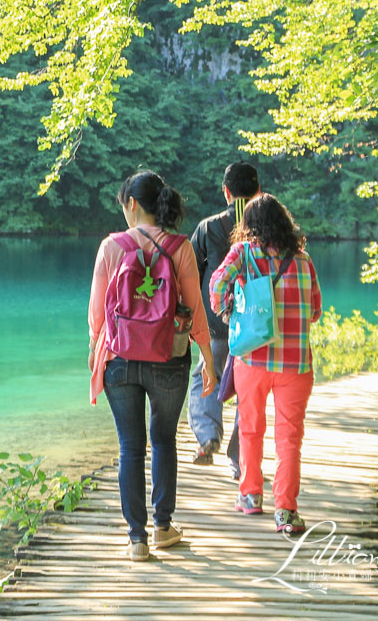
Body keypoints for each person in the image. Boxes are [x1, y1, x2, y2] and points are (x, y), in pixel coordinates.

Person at [88, 171, 215, 562]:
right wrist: (209, 360)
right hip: (169, 359)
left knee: (130, 447)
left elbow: (96, 317)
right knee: (162, 441)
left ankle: (136, 540)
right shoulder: (180, 247)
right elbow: (194, 311)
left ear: (131, 204)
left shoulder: (111, 246)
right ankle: (163, 527)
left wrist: (96, 357)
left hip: (120, 360)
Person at [209, 193, 322, 534]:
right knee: (289, 438)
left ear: (249, 225)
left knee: (250, 427)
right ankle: (286, 511)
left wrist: (231, 309)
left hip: (253, 358)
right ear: (285, 223)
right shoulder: (303, 261)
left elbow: (216, 290)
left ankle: (251, 496)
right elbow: (315, 311)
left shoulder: (243, 254)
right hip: (295, 364)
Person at [187, 163, 260, 478]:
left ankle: (207, 438)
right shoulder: (267, 228)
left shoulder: (208, 228)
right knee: (249, 392)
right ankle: (238, 460)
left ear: (226, 191)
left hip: (216, 326)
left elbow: (191, 273)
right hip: (256, 328)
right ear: (257, 192)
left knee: (205, 378)